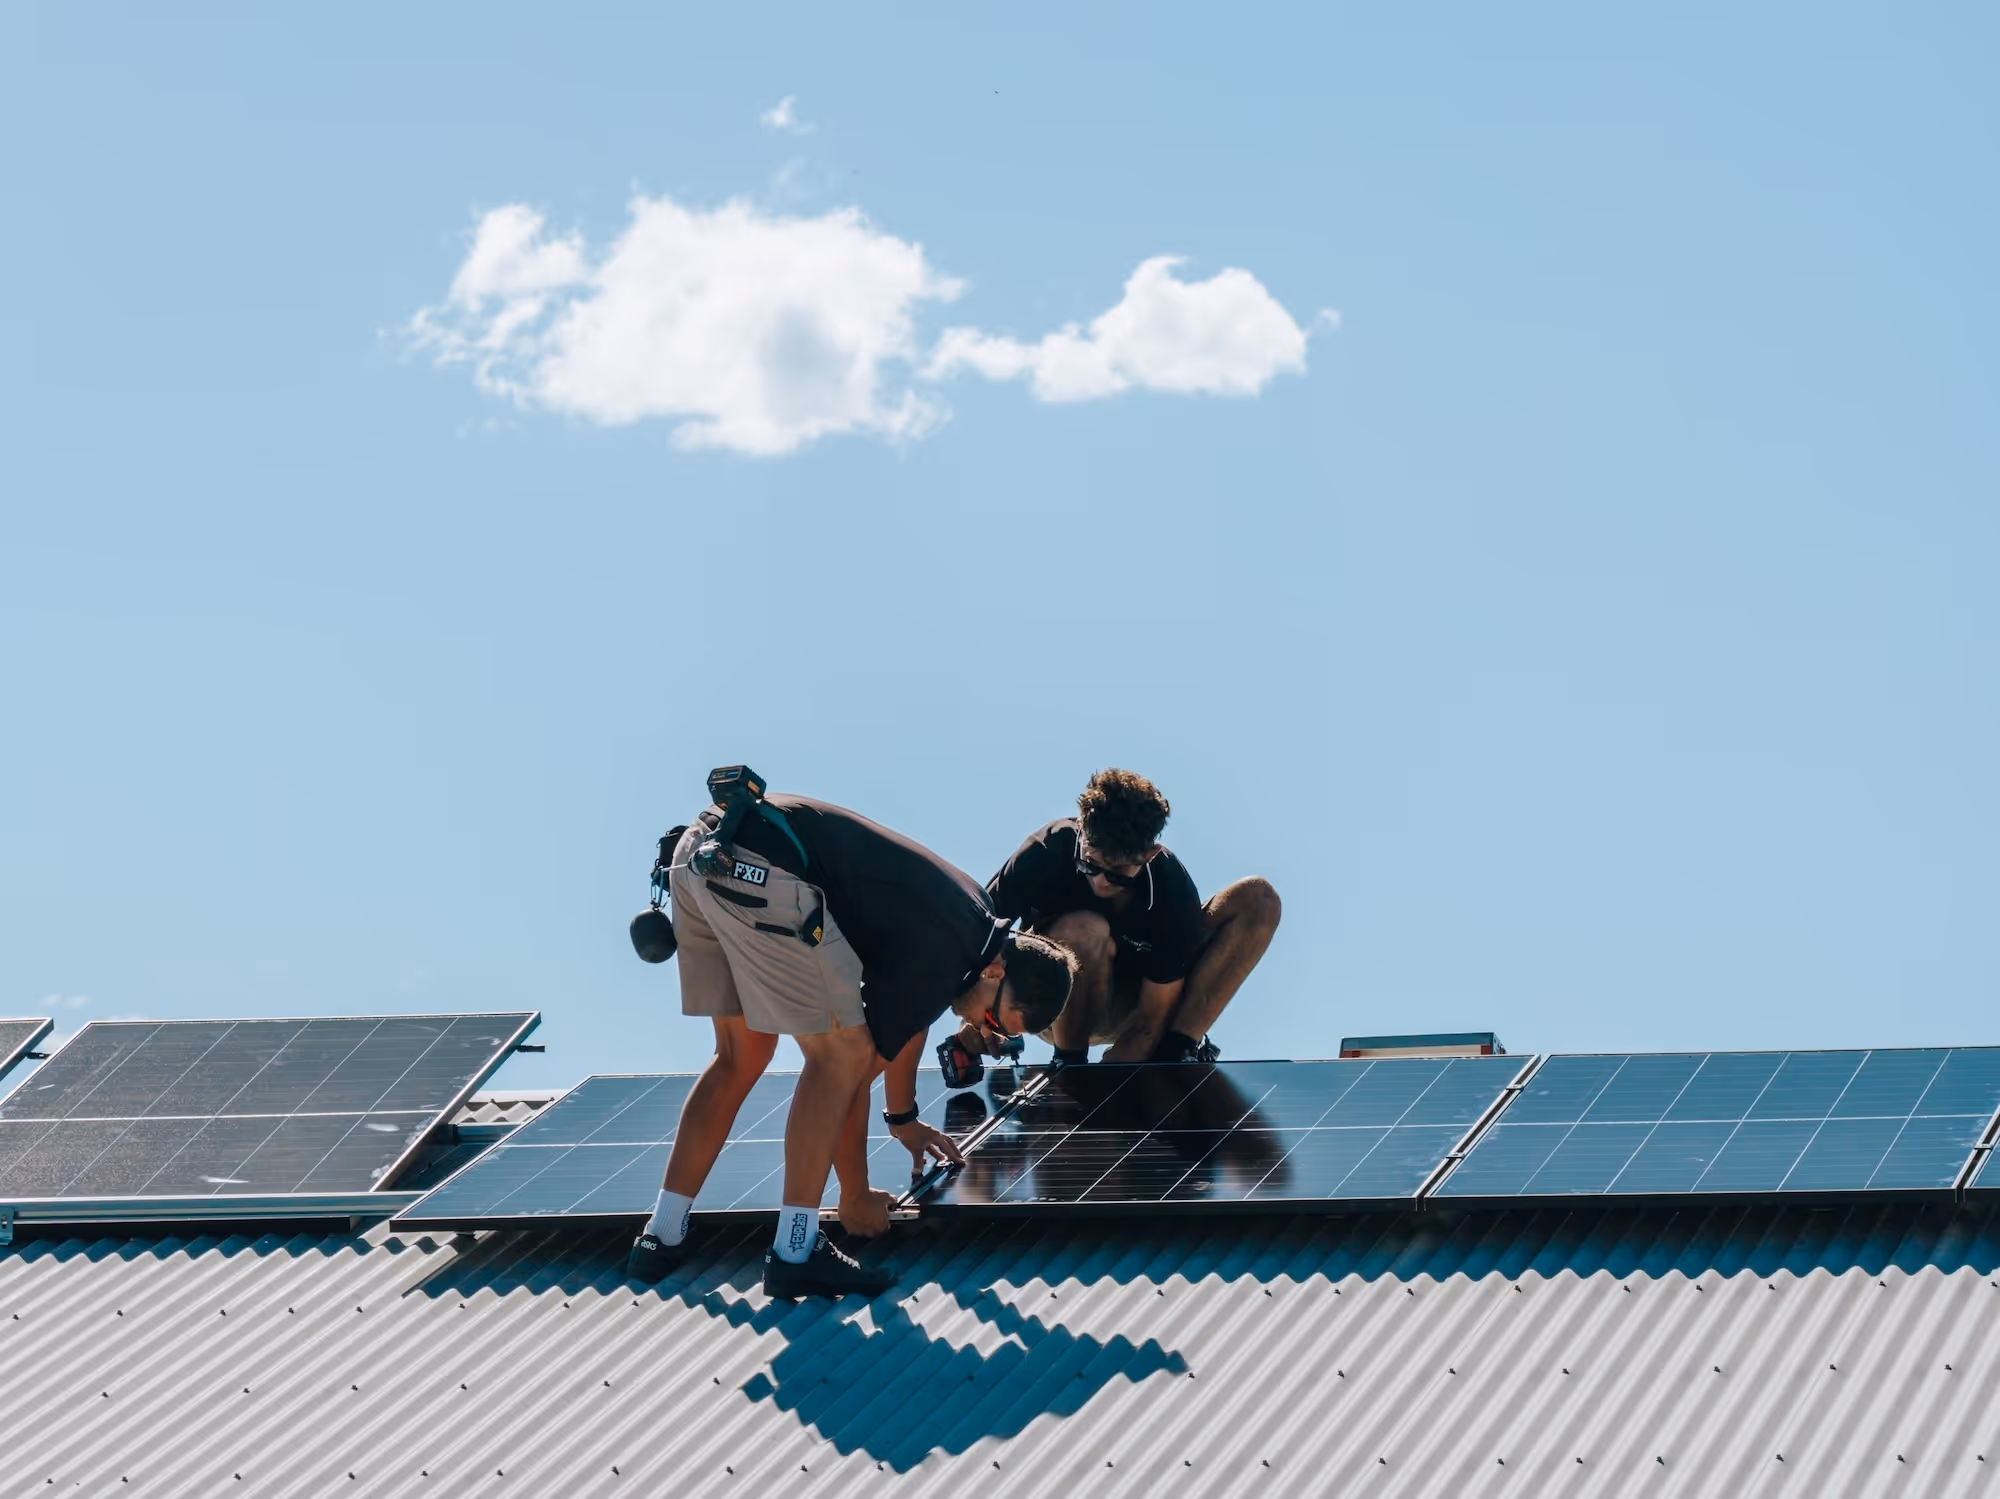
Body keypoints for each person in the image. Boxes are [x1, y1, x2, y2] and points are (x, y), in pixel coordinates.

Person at [627, 790, 1076, 1298]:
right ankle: (795, 1250)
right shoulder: (945, 955)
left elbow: (906, 1026)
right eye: (998, 1022)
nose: (984, 1031)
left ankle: (661, 1235)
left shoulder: (967, 926)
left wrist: (903, 1120)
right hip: (763, 872)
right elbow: (855, 1077)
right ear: (997, 972)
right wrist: (855, 1195)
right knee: (838, 1058)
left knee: (741, 1056)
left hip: (700, 855)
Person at [983, 768, 1280, 1066]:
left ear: (1150, 854)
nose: (1100, 883)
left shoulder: (1171, 892)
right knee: (1086, 929)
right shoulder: (1046, 850)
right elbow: (976, 936)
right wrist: (979, 1015)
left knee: (1258, 899)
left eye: (1118, 876)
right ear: (1082, 832)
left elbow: (1149, 1024)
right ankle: (1070, 1064)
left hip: (1145, 1006)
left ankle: (1176, 1053)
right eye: (1090, 866)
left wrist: (1125, 1083)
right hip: (1052, 999)